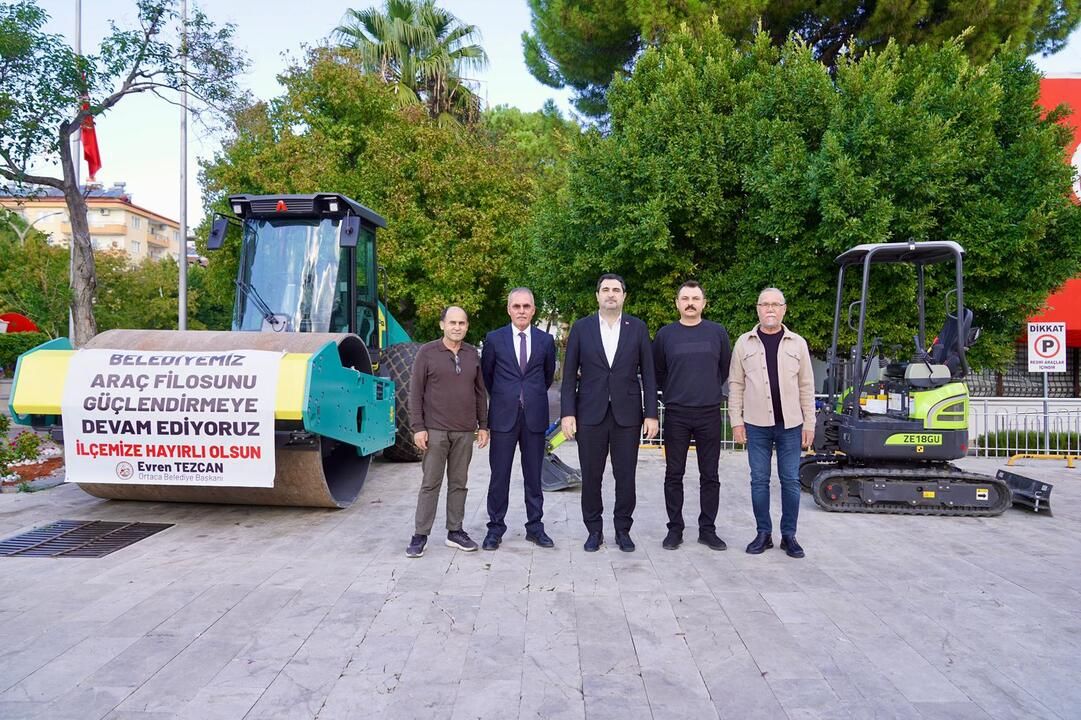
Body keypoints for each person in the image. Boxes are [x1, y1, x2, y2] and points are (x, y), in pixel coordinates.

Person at [560, 273, 658, 552]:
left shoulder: (637, 328)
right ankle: (594, 531)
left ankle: (623, 530)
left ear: (624, 296)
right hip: (590, 415)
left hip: (627, 416)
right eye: (605, 289)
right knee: (592, 477)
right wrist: (568, 413)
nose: (611, 294)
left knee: (625, 477)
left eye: (616, 289)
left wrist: (651, 414)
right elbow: (569, 375)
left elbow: (649, 374)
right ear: (597, 296)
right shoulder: (582, 328)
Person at [728, 287, 815, 558]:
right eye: (765, 304)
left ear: (784, 309)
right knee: (759, 481)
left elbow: (806, 385)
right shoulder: (744, 343)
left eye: (775, 304)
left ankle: (789, 536)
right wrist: (736, 421)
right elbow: (736, 384)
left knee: (790, 480)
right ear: (757, 309)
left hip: (791, 426)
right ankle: (763, 534)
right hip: (756, 425)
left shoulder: (797, 343)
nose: (770, 309)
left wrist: (809, 423)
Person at [405, 306, 490, 558]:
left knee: (459, 483)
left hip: (465, 431)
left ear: (467, 326)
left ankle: (455, 531)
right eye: (452, 322)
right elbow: (415, 392)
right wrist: (418, 427)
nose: (457, 327)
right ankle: (420, 535)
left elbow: (480, 392)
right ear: (442, 324)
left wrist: (483, 425)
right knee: (430, 483)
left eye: (461, 323)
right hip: (435, 431)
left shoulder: (472, 354)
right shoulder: (427, 352)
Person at [653, 281, 731, 551]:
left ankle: (707, 530)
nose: (690, 303)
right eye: (685, 298)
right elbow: (659, 372)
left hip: (709, 412)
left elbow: (724, 368)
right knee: (674, 474)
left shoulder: (717, 332)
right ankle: (675, 529)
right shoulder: (665, 335)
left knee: (710, 475)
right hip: (676, 413)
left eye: (695, 298)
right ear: (677, 303)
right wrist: (675, 392)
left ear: (703, 303)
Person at [481, 288, 557, 550]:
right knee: (499, 476)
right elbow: (487, 375)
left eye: (526, 306)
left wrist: (529, 397)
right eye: (517, 306)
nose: (521, 311)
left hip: (534, 417)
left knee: (534, 476)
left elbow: (547, 376)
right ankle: (495, 529)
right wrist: (507, 397)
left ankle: (535, 527)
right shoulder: (494, 339)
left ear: (533, 310)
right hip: (503, 417)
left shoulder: (546, 341)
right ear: (509, 309)